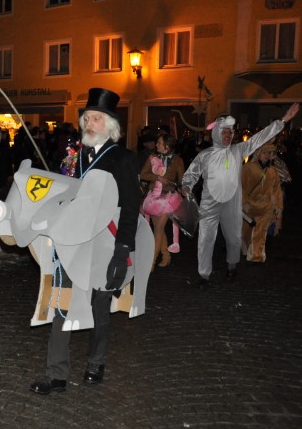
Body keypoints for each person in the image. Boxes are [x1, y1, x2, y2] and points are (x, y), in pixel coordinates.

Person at [31, 88, 141, 395]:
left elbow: (131, 207)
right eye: (87, 118)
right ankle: (56, 375)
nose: (89, 124)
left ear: (111, 126)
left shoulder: (123, 159)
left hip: (105, 243)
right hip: (72, 243)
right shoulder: (73, 157)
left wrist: (122, 250)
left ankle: (95, 362)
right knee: (62, 301)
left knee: (99, 305)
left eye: (97, 118)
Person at [181, 103, 298, 285]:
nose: (228, 135)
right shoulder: (205, 155)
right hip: (209, 204)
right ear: (216, 133)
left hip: (232, 203)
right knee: (205, 239)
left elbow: (259, 138)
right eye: (224, 132)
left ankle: (232, 266)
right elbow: (191, 174)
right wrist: (186, 186)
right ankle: (204, 275)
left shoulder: (238, 150)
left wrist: (282, 121)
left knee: (234, 238)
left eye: (230, 132)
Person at [140, 134, 185, 268]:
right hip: (154, 197)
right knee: (157, 228)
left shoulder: (178, 160)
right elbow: (143, 174)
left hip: (168, 198)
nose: (156, 145)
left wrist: (181, 187)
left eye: (159, 143)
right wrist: (157, 178)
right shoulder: (152, 158)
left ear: (167, 145)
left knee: (159, 228)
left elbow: (182, 180)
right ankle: (166, 255)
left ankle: (151, 261)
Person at [241, 143, 283, 263]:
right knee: (246, 232)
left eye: (270, 153)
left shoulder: (272, 171)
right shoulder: (248, 168)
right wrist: (244, 202)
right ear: (258, 153)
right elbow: (241, 187)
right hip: (250, 206)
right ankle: (246, 249)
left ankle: (256, 256)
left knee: (260, 232)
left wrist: (278, 207)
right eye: (265, 152)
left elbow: (277, 190)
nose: (267, 155)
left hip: (266, 206)